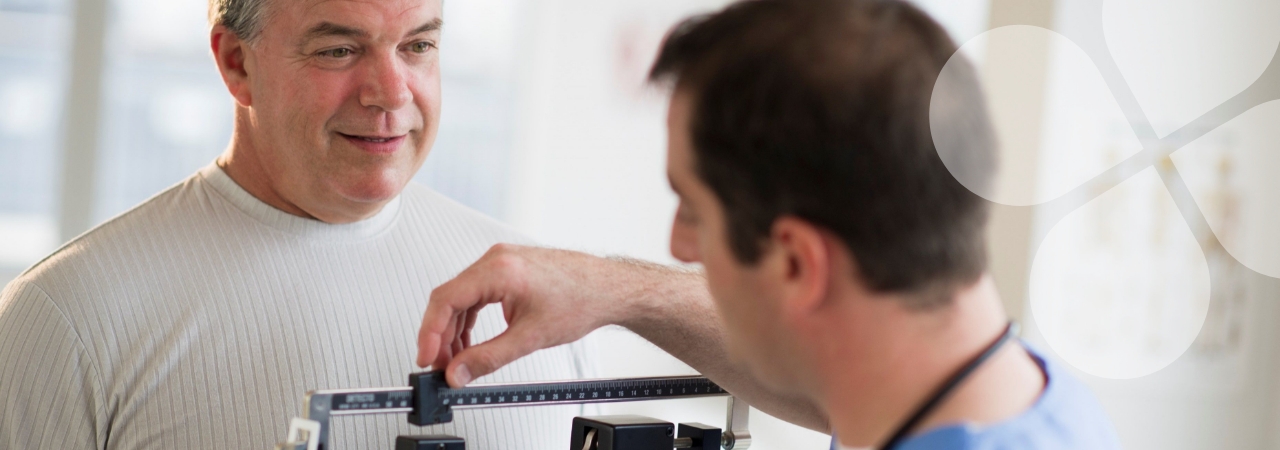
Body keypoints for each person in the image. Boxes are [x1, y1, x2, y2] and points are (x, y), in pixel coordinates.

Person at [417, 0, 1124, 448]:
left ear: (793, 263)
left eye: (692, 208)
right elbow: (827, 351)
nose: (676, 244)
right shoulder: (1031, 394)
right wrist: (614, 291)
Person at [0, 0, 589, 448]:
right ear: (237, 64)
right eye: (338, 50)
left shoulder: (537, 296)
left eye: (417, 46)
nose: (390, 94)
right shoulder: (66, 314)